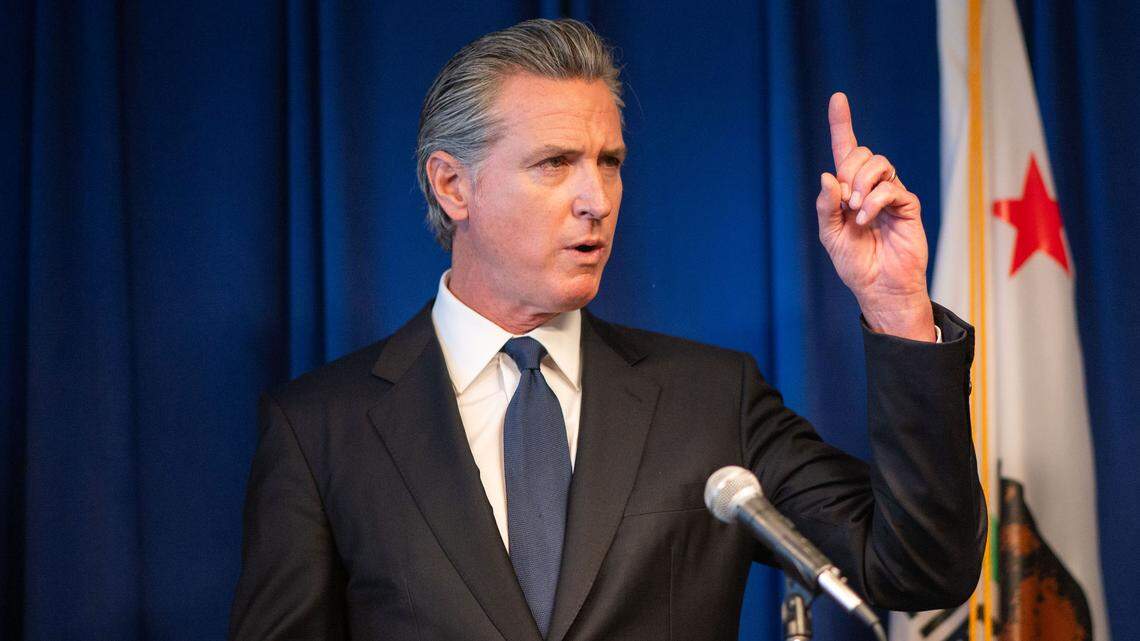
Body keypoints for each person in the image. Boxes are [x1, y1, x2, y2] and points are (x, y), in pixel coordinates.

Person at [229, 18, 985, 641]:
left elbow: (918, 569)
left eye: (610, 161)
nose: (596, 197)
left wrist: (896, 307)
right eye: (555, 163)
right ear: (452, 185)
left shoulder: (711, 398)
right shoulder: (321, 428)